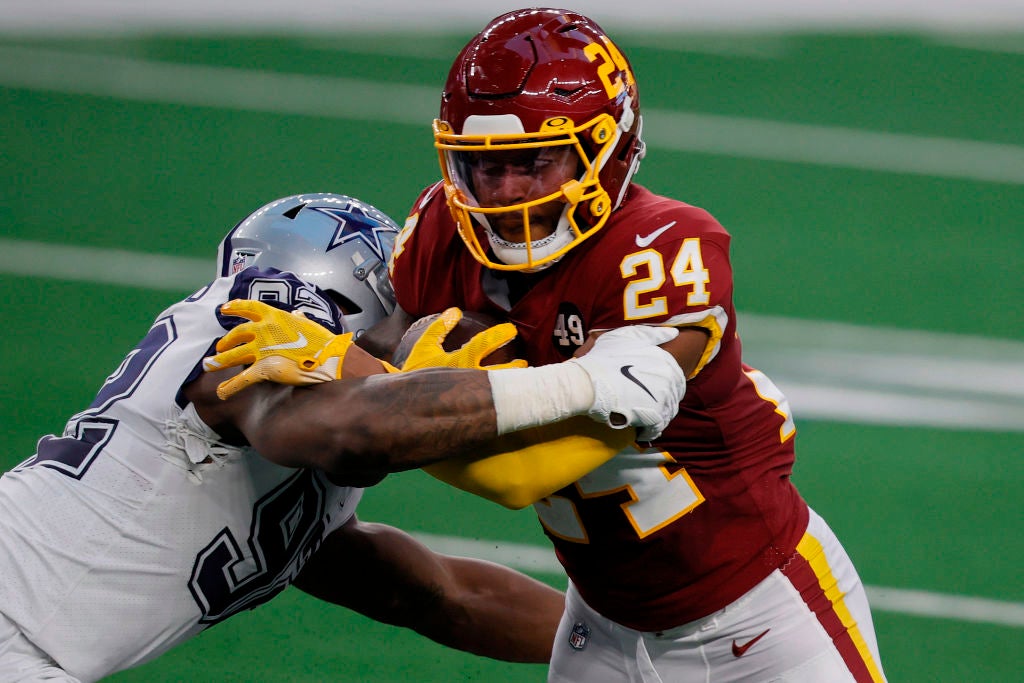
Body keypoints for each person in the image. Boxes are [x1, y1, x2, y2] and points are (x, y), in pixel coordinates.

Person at [364, 8, 888, 682]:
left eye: (532, 163)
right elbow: (367, 365)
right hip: (602, 629)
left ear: (606, 149)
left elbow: (519, 473)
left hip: (764, 618)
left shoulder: (664, 249)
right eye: (481, 167)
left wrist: (395, 407)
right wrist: (310, 353)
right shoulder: (442, 227)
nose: (502, 194)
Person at [0, 192, 687, 682]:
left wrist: (627, 648)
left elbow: (437, 595)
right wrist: (576, 388)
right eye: (405, 309)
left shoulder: (297, 463)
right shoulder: (249, 329)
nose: (420, 325)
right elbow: (351, 429)